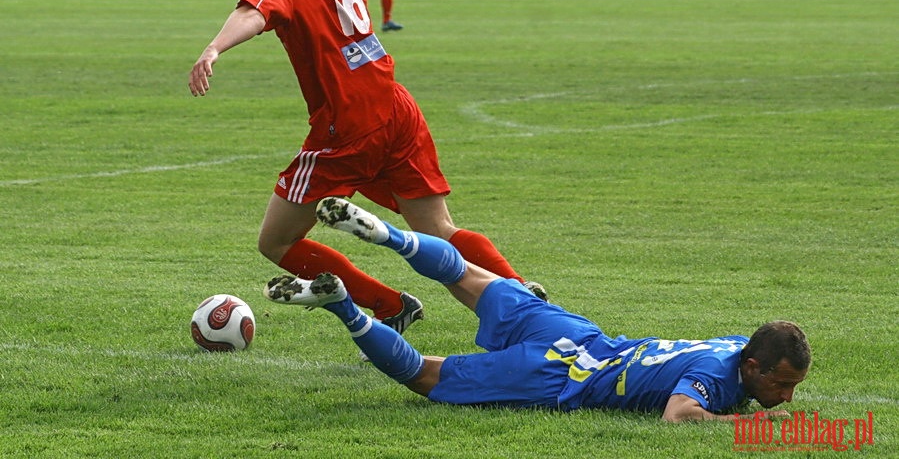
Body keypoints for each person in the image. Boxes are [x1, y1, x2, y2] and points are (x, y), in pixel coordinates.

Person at [188, 0, 546, 341]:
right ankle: (519, 295)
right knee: (438, 229)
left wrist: (214, 48)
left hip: (348, 122)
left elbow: (253, 12)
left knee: (275, 242)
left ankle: (388, 305)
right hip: (396, 108)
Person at [265, 197, 812, 421]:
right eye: (782, 385)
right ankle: (343, 305)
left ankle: (388, 235)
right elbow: (679, 415)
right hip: (563, 375)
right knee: (424, 375)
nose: (785, 397)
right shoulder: (719, 378)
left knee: (467, 275)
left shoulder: (729, 346)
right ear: (751, 367)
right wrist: (746, 427)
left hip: (581, 334)